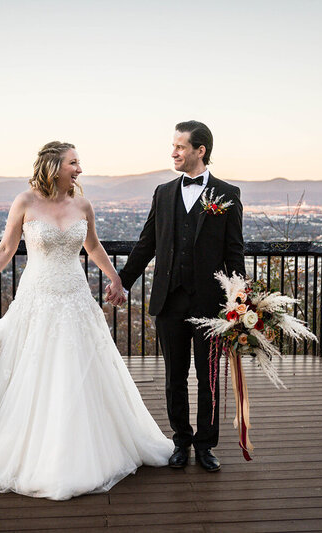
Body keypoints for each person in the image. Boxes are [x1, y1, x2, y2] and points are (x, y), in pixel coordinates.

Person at [0, 141, 173, 501]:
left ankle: (84, 449)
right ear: (54, 166)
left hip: (76, 298)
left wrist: (115, 278)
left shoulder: (83, 205)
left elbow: (93, 247)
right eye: (73, 163)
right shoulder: (25, 202)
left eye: (78, 163)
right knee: (33, 371)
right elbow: (6, 249)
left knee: (80, 369)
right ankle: (33, 451)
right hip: (38, 298)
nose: (79, 169)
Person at [107, 120, 245, 472]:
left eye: (180, 147)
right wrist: (122, 281)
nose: (173, 152)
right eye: (173, 146)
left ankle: (206, 445)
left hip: (211, 305)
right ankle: (180, 441)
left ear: (200, 151)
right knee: (175, 376)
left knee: (209, 378)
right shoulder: (163, 193)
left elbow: (234, 252)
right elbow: (146, 244)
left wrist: (240, 301)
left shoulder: (228, 194)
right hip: (169, 301)